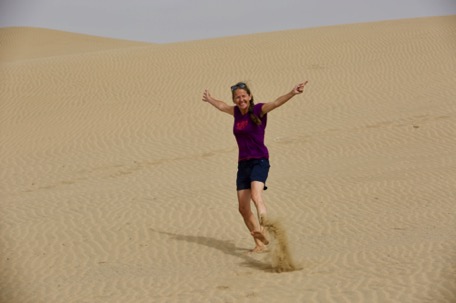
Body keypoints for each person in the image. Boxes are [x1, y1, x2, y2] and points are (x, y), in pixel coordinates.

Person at [202, 80, 309, 252]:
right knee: (243, 208)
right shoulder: (236, 112)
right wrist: (211, 99)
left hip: (259, 161)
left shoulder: (259, 110)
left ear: (249, 97)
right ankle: (259, 242)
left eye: (243, 96)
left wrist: (292, 92)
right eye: (237, 97)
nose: (241, 100)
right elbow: (222, 106)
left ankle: (264, 229)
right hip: (243, 164)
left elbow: (275, 103)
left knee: (255, 196)